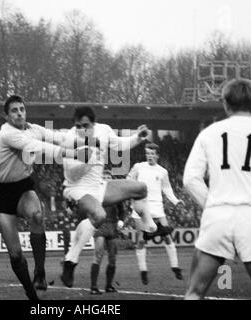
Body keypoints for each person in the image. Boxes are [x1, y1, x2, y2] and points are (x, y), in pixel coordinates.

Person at [183, 79, 251, 300]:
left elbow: (190, 179)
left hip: (217, 216)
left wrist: (212, 205)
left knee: (194, 292)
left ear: (225, 103)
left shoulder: (208, 133)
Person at [0, 95, 97, 300]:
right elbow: (40, 148)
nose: (19, 113)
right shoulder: (8, 134)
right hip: (0, 193)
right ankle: (32, 294)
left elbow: (55, 136)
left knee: (37, 215)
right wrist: (76, 154)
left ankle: (40, 272)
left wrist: (83, 138)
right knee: (16, 254)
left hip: (22, 186)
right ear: (6, 116)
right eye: (14, 110)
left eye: (22, 109)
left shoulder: (33, 128)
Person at [60, 106, 157, 288]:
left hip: (99, 187)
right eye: (78, 125)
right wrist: (88, 161)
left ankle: (151, 227)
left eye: (86, 125)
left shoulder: (104, 130)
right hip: (77, 188)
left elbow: (119, 145)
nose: (82, 129)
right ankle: (70, 261)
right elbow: (71, 174)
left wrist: (138, 137)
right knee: (100, 215)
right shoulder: (69, 139)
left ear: (94, 123)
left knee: (141, 188)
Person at [127, 143, 185, 285]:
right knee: (141, 240)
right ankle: (143, 271)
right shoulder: (138, 167)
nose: (150, 156)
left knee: (167, 237)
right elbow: (128, 181)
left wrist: (176, 201)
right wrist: (132, 196)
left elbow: (167, 189)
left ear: (157, 155)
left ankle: (176, 267)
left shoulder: (162, 171)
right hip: (141, 206)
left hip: (157, 207)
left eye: (152, 154)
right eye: (147, 153)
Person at [90, 171, 128, 294]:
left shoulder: (116, 195)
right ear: (101, 179)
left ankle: (108, 286)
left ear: (111, 180)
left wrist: (121, 221)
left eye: (108, 178)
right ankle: (93, 287)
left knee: (113, 258)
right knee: (98, 255)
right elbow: (89, 210)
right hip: (100, 226)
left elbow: (122, 211)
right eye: (104, 178)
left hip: (113, 227)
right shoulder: (95, 194)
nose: (106, 180)